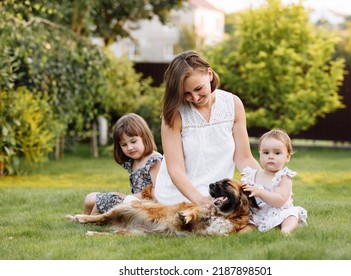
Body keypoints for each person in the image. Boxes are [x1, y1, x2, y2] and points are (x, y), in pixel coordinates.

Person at [153, 50, 260, 208]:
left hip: (218, 193)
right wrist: (200, 199)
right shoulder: (174, 114)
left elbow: (244, 158)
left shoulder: (233, 104)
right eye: (186, 94)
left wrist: (268, 186)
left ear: (209, 74)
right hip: (180, 194)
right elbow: (175, 170)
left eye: (198, 88)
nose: (195, 98)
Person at [83, 113, 162, 215]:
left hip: (147, 207)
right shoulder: (133, 161)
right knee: (90, 198)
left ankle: (92, 220)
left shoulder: (154, 160)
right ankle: (82, 218)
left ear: (145, 137)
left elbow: (157, 192)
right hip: (132, 202)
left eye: (133, 141)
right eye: (124, 144)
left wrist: (127, 197)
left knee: (108, 199)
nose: (129, 148)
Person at [240, 129, 308, 235]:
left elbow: (279, 201)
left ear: (287, 156)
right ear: (260, 154)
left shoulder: (284, 176)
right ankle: (242, 233)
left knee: (291, 215)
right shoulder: (252, 175)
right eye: (266, 152)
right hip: (258, 213)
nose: (270, 156)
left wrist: (259, 192)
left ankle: (285, 230)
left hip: (280, 211)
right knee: (248, 223)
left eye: (277, 153)